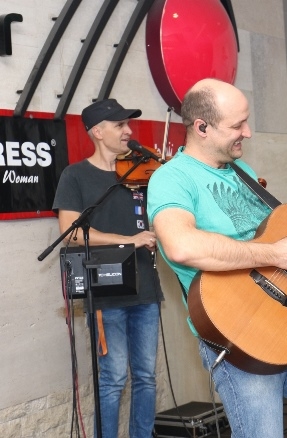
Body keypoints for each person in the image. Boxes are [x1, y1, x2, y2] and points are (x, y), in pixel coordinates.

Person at [146, 78, 287, 438]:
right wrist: (274, 253)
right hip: (240, 338)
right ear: (202, 127)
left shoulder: (245, 174)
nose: (248, 132)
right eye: (237, 125)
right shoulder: (171, 179)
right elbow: (181, 246)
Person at [53, 99, 163, 438]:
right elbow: (70, 233)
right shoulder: (75, 175)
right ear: (98, 132)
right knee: (113, 378)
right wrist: (129, 240)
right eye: (119, 125)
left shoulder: (142, 172)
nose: (128, 131)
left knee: (146, 377)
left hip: (146, 288)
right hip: (106, 292)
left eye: (128, 124)